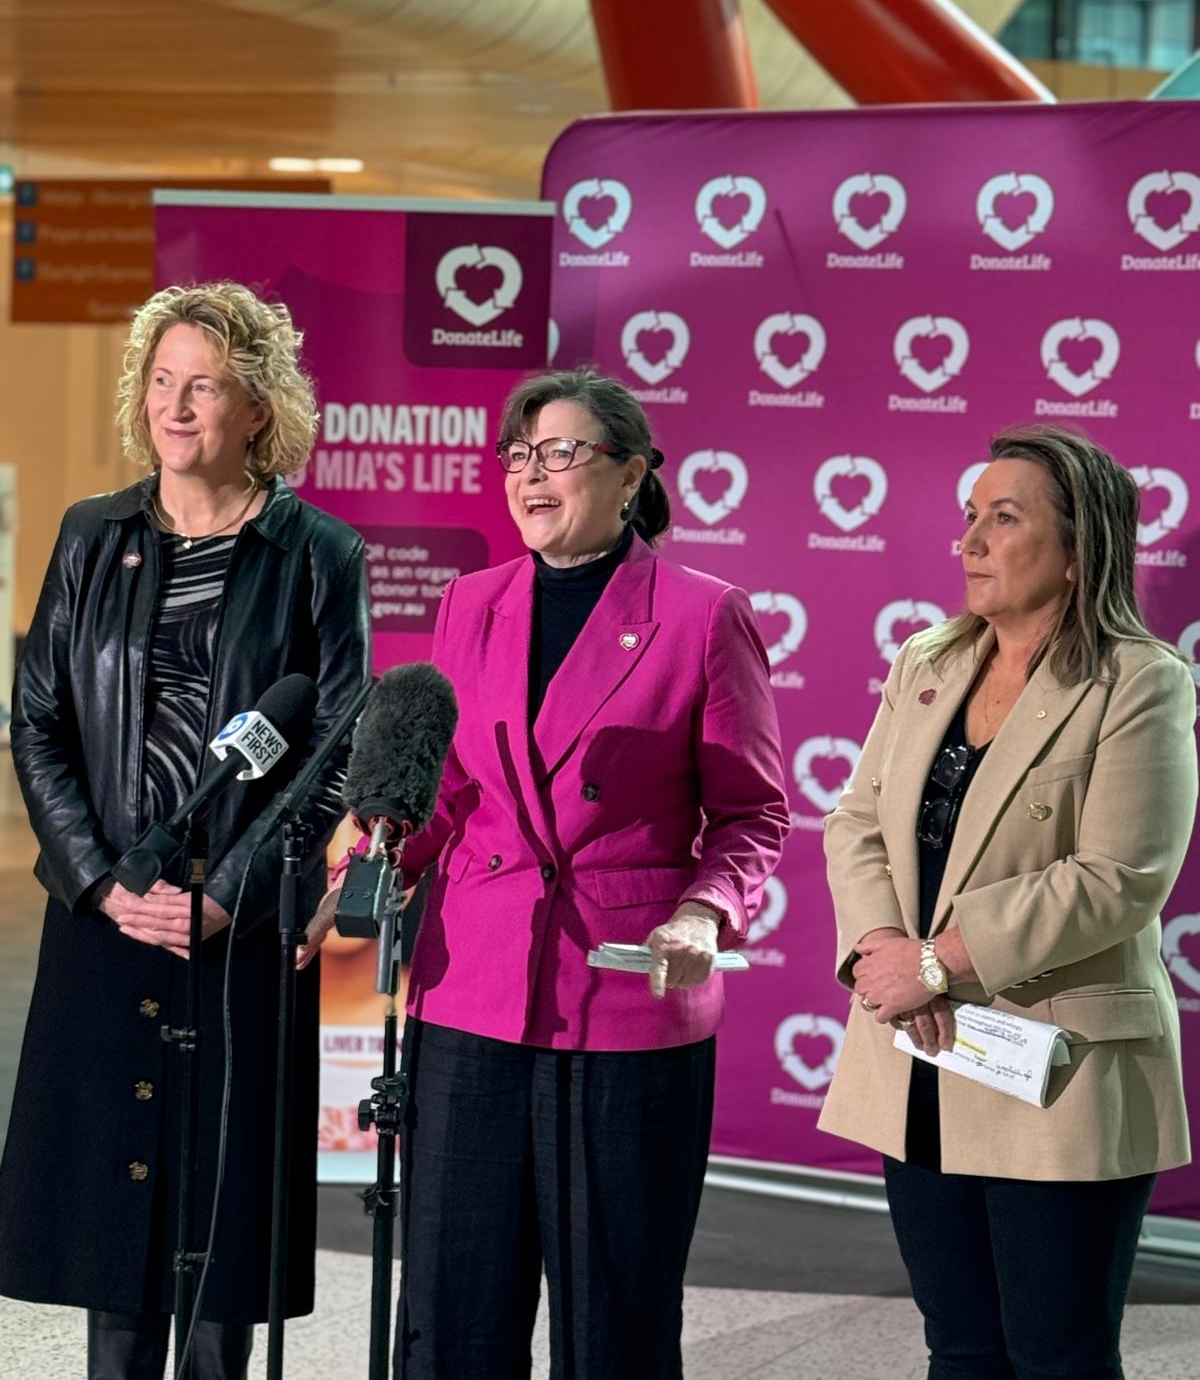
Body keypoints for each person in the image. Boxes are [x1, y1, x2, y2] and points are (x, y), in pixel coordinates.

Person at [304, 366, 788, 1379]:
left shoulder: (705, 615)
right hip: (468, 993)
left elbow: (751, 812)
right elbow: (450, 790)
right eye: (521, 455)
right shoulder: (472, 600)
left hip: (621, 998)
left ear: (633, 473)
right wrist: (376, 853)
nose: (534, 473)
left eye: (563, 452)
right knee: (451, 1304)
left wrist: (706, 912)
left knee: (613, 1312)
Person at [0, 283, 370, 1380]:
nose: (176, 404)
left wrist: (235, 891)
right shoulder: (88, 534)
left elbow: (337, 739)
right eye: (162, 381)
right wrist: (102, 883)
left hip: (239, 932)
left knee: (222, 1247)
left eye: (202, 385)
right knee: (110, 1251)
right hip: (107, 917)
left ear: (257, 406)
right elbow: (38, 720)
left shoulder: (319, 553)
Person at [820, 424, 1198, 1380]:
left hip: (1058, 1077)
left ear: (1079, 550)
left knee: (1058, 1356)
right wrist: (879, 948)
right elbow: (857, 820)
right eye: (968, 517)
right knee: (962, 1349)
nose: (970, 542)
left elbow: (1118, 878)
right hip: (921, 1057)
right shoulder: (928, 661)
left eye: (1003, 517)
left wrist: (939, 959)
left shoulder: (1140, 680)